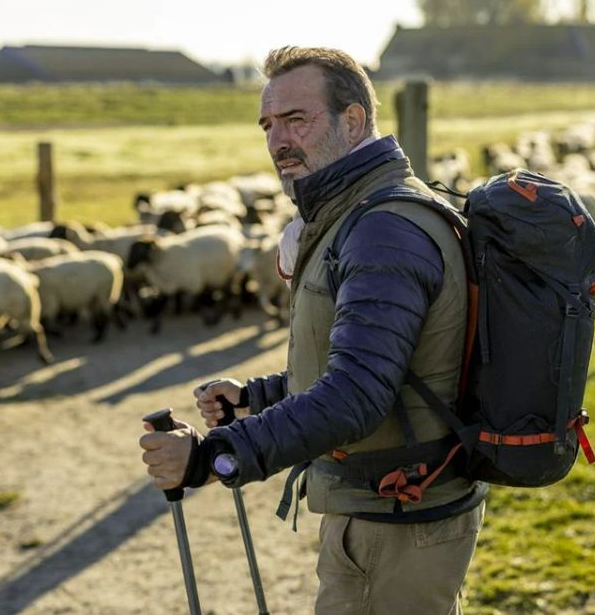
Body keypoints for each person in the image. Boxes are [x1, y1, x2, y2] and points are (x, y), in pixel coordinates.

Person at [139, 46, 487, 614]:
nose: (278, 141)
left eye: (297, 120)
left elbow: (356, 396)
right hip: (381, 507)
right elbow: (377, 363)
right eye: (268, 125)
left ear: (353, 120)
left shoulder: (383, 231)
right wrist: (258, 397)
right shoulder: (356, 214)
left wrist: (214, 457)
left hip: (395, 521)